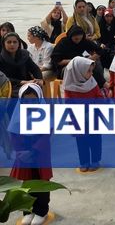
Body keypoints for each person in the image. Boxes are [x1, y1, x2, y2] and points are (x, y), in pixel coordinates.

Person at [8, 84, 53, 225]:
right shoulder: (18, 115)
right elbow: (13, 134)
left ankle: (41, 211)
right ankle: (27, 211)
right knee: (26, 184)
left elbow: (46, 136)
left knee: (41, 184)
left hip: (40, 155)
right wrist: (20, 152)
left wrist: (33, 151)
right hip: (24, 156)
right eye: (26, 101)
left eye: (33, 101)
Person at [62, 57, 103, 172]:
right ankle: (84, 161)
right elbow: (68, 104)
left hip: (93, 116)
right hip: (78, 118)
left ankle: (95, 160)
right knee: (81, 141)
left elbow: (99, 97)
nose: (91, 73)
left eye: (91, 71)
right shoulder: (70, 86)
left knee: (95, 140)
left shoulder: (92, 82)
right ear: (78, 71)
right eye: (88, 71)